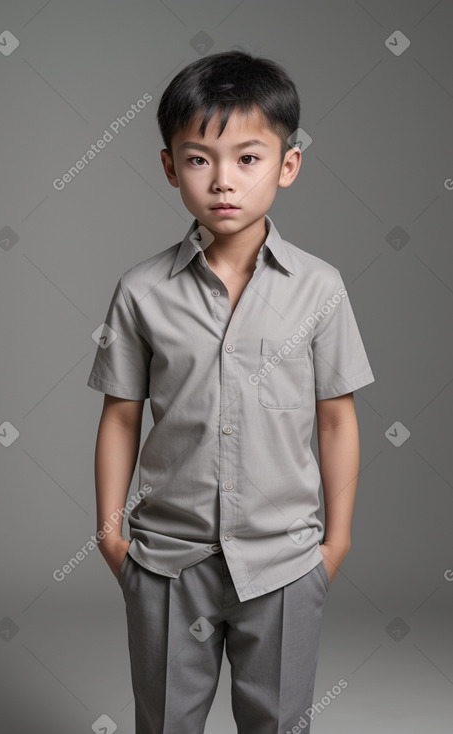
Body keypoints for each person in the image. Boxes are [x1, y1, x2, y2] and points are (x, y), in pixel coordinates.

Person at [87, 49, 375, 734]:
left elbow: (335, 420)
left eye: (247, 158)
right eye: (198, 159)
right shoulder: (140, 291)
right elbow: (121, 417)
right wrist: (108, 535)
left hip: (282, 559)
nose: (222, 181)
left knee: (276, 724)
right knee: (163, 724)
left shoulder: (319, 288)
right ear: (169, 168)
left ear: (286, 165)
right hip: (166, 561)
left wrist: (331, 546)